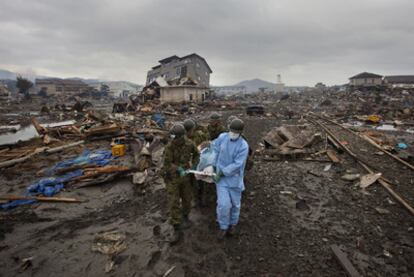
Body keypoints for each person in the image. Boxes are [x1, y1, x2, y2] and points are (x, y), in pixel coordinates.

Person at [162, 123, 200, 243]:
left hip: (186, 176)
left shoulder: (189, 143)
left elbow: (197, 154)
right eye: (173, 138)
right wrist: (178, 168)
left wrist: (193, 165)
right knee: (173, 201)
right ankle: (176, 227)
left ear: (182, 136)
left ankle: (185, 216)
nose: (174, 140)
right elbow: (167, 163)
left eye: (176, 138)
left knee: (187, 199)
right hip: (172, 177)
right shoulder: (169, 147)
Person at [212, 118, 249, 239]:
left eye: (235, 132)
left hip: (234, 178)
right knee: (223, 204)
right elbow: (215, 149)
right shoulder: (223, 137)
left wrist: (222, 172)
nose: (232, 134)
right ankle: (223, 227)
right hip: (221, 179)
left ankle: (233, 224)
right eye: (231, 131)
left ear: (240, 133)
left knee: (235, 204)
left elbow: (237, 165)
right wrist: (212, 165)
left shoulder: (243, 146)